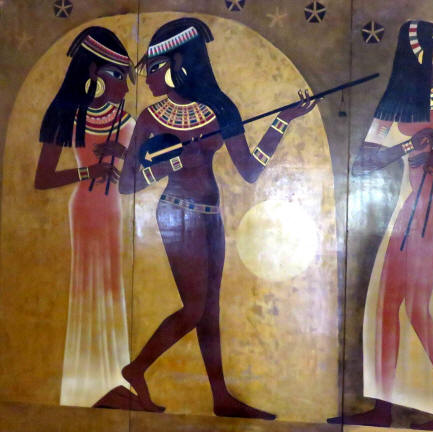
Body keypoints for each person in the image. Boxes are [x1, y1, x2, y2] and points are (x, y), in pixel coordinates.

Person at [114, 17, 316, 418]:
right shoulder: (152, 117)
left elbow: (250, 170)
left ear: (179, 64)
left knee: (210, 311)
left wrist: (283, 120)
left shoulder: (220, 110)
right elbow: (127, 183)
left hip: (211, 217)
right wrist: (174, 161)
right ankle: (136, 368)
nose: (149, 78)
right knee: (193, 309)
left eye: (155, 68)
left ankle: (220, 398)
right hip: (177, 214)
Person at [327, 21, 433, 432]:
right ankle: (383, 409)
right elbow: (362, 163)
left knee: (417, 306)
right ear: (424, 56)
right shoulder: (397, 103)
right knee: (386, 304)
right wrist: (407, 145)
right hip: (412, 202)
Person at [34, 26, 135, 407]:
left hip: (112, 210)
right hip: (85, 209)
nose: (124, 86)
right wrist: (88, 171)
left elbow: (143, 170)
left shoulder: (126, 120)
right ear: (94, 74)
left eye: (126, 77)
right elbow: (43, 178)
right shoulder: (69, 116)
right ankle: (86, 388)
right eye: (117, 75)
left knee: (111, 288)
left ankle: (113, 381)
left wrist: (125, 157)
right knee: (86, 290)